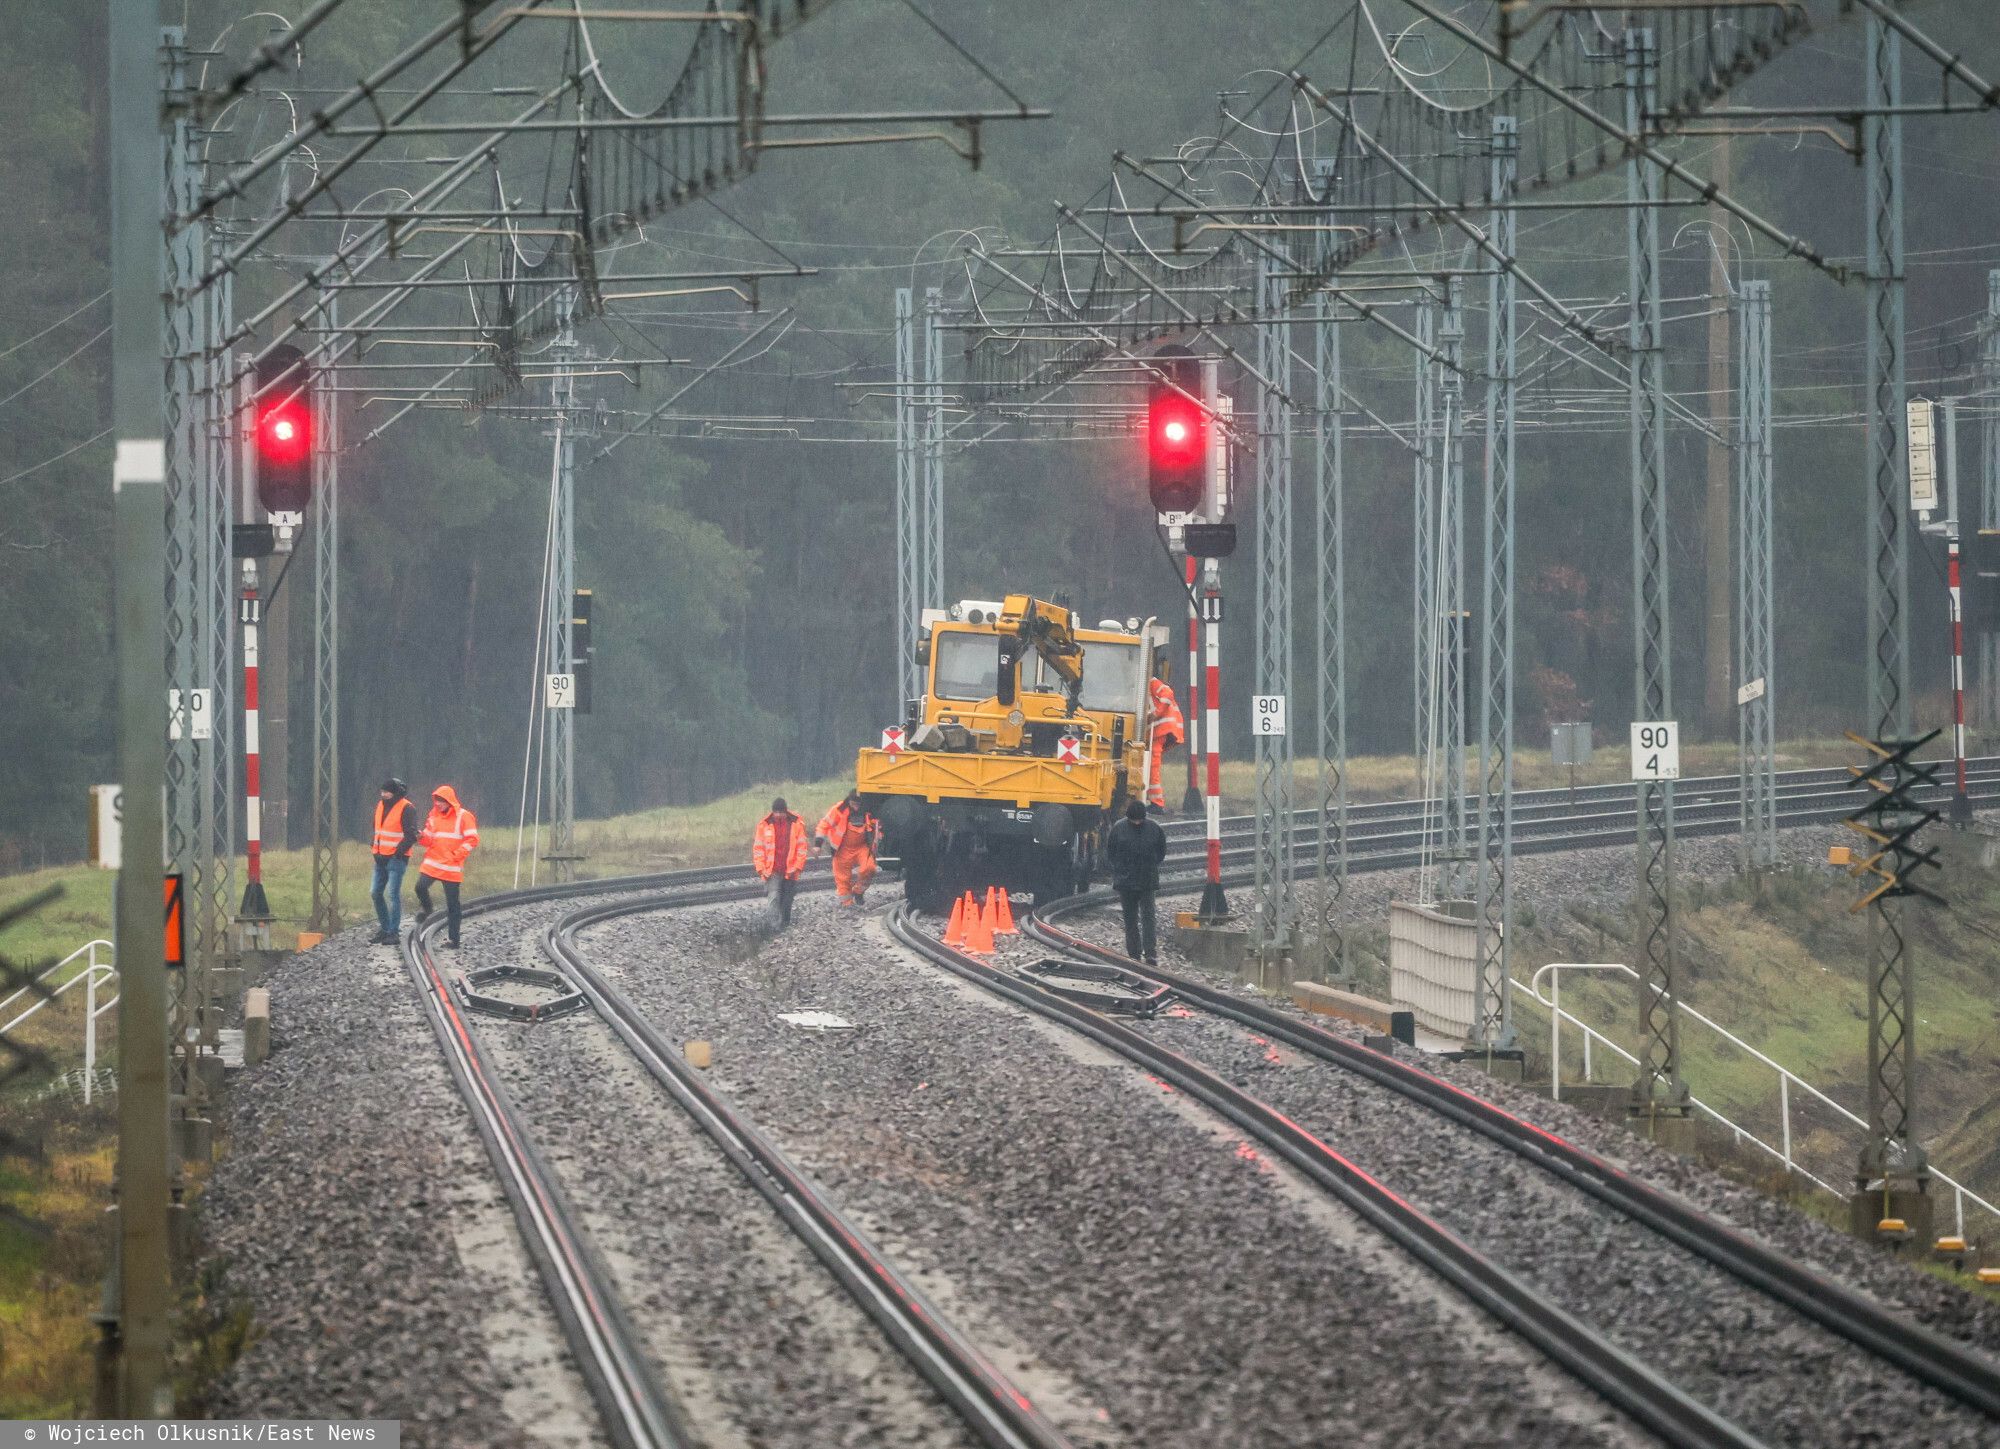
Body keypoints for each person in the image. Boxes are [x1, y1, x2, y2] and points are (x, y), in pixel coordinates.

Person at [414, 784, 479, 949]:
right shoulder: (433, 816)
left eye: (441, 801)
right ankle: (427, 908)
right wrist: (420, 837)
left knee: (453, 905)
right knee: (420, 887)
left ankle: (454, 940)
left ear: (449, 801)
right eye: (436, 801)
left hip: (451, 867)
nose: (437, 804)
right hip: (433, 863)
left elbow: (472, 839)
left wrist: (456, 856)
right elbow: (429, 838)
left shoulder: (464, 816)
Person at [1104, 798, 1168, 964]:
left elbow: (1161, 852)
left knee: (1145, 917)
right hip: (1135, 881)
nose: (1137, 823)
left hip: (1139, 880)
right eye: (1135, 820)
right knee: (1134, 917)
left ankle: (1149, 954)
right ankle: (1136, 953)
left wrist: (1119, 869)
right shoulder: (1153, 829)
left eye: (1140, 820)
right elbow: (1110, 853)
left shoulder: (1119, 829)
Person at [369, 777, 420, 944]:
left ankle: (393, 931)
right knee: (375, 893)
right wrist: (375, 850)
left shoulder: (407, 808)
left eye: (386, 792)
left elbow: (411, 835)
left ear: (394, 792)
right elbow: (378, 831)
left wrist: (398, 853)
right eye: (382, 792)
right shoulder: (380, 805)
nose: (383, 794)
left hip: (396, 859)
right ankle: (385, 928)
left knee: (392, 894)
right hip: (380, 857)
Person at [816, 790, 881, 908]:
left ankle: (858, 892)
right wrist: (817, 844)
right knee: (842, 878)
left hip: (862, 848)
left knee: (870, 868)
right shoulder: (838, 810)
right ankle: (847, 903)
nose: (856, 806)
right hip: (842, 849)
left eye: (858, 804)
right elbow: (823, 825)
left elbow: (876, 826)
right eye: (853, 803)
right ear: (849, 801)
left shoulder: (868, 811)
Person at [752, 796, 809, 927]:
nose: (778, 815)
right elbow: (758, 849)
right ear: (772, 812)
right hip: (772, 870)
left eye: (781, 812)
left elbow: (802, 847)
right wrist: (761, 868)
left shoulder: (796, 824)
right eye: (776, 812)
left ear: (785, 811)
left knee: (787, 899)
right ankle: (772, 927)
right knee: (773, 897)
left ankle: (784, 924)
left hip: (790, 870)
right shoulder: (764, 825)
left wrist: (798, 867)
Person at [1146, 665, 1185, 810]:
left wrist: (1156, 713)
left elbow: (1168, 693)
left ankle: (1157, 803)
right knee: (1150, 765)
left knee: (1152, 766)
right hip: (1156, 731)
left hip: (1160, 730)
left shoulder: (1150, 682)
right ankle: (1153, 801)